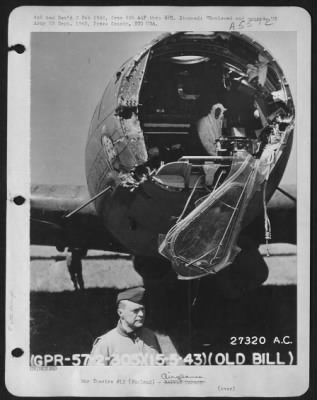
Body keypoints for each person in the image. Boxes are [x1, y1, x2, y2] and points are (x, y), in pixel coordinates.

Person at [88, 286, 163, 366]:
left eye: (142, 309)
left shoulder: (150, 336)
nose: (141, 314)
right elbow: (93, 377)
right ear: (120, 313)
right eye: (135, 311)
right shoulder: (105, 344)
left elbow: (162, 371)